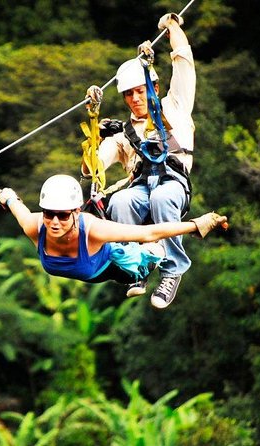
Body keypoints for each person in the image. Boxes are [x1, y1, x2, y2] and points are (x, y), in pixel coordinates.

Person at [82, 12, 196, 307]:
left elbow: (184, 61)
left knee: (161, 198)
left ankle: (172, 270)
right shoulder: (123, 134)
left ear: (154, 88)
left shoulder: (176, 106)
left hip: (173, 184)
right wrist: (94, 134)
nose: (135, 99)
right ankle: (137, 266)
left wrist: (172, 26)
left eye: (140, 91)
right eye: (128, 94)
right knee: (120, 202)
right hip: (140, 188)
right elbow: (92, 169)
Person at [0, 175, 227, 309]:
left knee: (141, 256)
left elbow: (148, 233)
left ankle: (156, 255)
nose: (54, 222)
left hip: (118, 267)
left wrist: (197, 225)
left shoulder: (92, 229)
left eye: (62, 215)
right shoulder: (34, 225)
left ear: (76, 211)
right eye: (48, 213)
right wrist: (6, 195)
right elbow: (16, 205)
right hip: (91, 269)